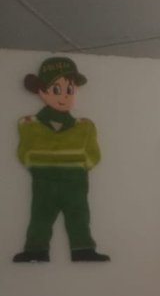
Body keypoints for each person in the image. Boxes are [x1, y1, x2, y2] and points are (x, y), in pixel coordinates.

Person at [15, 56, 109, 263]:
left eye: (70, 89)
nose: (64, 96)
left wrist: (81, 168)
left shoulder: (85, 127)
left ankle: (83, 249)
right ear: (41, 91)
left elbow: (94, 153)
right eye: (56, 89)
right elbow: (24, 151)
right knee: (41, 215)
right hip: (44, 179)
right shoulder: (30, 125)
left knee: (79, 215)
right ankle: (36, 251)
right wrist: (36, 167)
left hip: (75, 180)